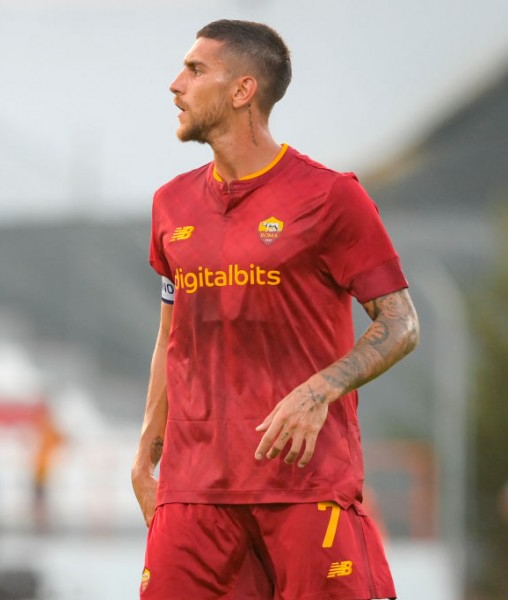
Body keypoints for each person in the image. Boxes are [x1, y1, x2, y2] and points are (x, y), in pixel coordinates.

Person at [131, 20, 420, 600]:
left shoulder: (331, 196)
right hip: (194, 492)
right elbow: (170, 337)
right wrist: (147, 451)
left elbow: (400, 324)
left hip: (304, 483)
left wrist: (318, 391)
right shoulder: (171, 204)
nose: (175, 85)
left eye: (194, 70)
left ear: (242, 91)